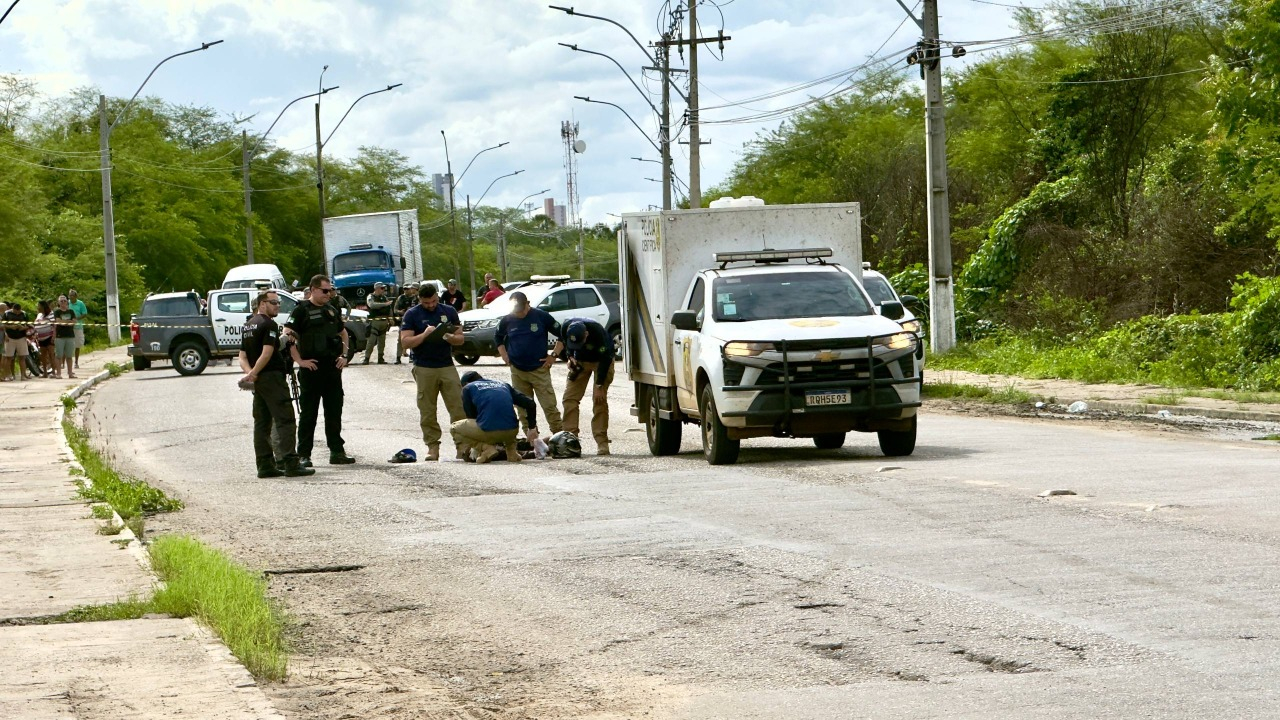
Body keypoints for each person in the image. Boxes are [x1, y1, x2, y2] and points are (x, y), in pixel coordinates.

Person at [239, 289, 314, 479]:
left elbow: (242, 356)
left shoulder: (248, 325)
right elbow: (267, 353)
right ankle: (291, 463)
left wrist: (250, 374)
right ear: (262, 304)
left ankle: (265, 465)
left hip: (259, 380)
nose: (277, 306)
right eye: (273, 302)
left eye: (279, 302)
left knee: (262, 422)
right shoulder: (268, 324)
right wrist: (254, 373)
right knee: (285, 420)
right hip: (271, 377)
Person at [284, 275, 355, 467]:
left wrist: (344, 355)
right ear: (313, 289)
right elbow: (287, 333)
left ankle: (337, 451)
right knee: (309, 414)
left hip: (331, 368)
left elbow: (343, 332)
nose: (328, 294)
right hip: (312, 368)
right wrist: (299, 361)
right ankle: (304, 454)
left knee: (334, 412)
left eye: (330, 290)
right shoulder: (301, 310)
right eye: (325, 291)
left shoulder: (331, 309)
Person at [399, 282, 465, 461]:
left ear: (437, 297)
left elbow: (460, 338)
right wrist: (425, 335)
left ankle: (462, 446)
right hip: (424, 366)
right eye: (426, 303)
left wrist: (451, 337)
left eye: (434, 301)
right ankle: (432, 446)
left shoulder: (449, 311)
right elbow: (405, 342)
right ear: (420, 299)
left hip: (446, 365)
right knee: (427, 410)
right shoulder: (412, 314)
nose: (431, 305)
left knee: (458, 407)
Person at [495, 291, 564, 436]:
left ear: (528, 304)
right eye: (516, 312)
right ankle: (531, 438)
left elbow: (562, 334)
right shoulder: (507, 320)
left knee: (549, 405)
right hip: (518, 370)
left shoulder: (541, 316)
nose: (519, 314)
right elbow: (498, 337)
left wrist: (554, 355)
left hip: (539, 369)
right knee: (523, 408)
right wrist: (504, 355)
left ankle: (558, 435)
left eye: (522, 311)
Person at [451, 370, 539, 463]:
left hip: (489, 431)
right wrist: (532, 427)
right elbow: (530, 403)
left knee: (454, 428)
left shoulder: (468, 388)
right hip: (512, 432)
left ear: (465, 383)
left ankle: (486, 448)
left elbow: (471, 418)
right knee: (506, 419)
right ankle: (512, 452)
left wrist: (476, 447)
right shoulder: (503, 385)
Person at [561, 318, 615, 456]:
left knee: (599, 400)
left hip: (601, 362)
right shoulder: (565, 327)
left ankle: (602, 442)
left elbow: (605, 359)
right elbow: (566, 345)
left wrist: (599, 385)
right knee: (569, 399)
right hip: (581, 361)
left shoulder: (597, 332)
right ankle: (570, 440)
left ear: (586, 334)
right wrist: (570, 357)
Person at [362, 282, 393, 365]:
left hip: (384, 322)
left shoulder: (384, 297)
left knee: (382, 342)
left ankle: (380, 358)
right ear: (376, 289)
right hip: (374, 322)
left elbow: (389, 308)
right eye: (382, 288)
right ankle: (366, 358)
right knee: (371, 341)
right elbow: (372, 305)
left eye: (384, 288)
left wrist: (391, 319)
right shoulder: (371, 296)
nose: (383, 290)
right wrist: (384, 304)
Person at [1, 301, 32, 381]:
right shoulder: (7, 314)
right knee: (8, 357)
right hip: (10, 338)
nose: (17, 313)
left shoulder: (24, 314)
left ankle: (23, 376)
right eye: (16, 312)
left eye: (19, 312)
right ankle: (7, 375)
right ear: (13, 309)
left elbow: (28, 325)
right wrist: (11, 327)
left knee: (22, 357)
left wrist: (23, 328)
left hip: (21, 337)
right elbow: (3, 324)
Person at [51, 296, 78, 380]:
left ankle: (70, 373)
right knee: (59, 355)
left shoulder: (71, 311)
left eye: (64, 301)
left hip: (70, 335)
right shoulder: (57, 311)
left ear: (67, 302)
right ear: (58, 303)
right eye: (61, 301)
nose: (63, 302)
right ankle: (58, 373)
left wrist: (66, 322)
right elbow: (58, 321)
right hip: (60, 336)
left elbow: (74, 321)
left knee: (69, 356)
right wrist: (68, 321)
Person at [392, 283, 419, 364]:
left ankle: (412, 356)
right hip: (404, 320)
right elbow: (395, 310)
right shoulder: (401, 298)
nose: (406, 290)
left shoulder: (416, 298)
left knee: (413, 338)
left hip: (414, 320)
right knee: (400, 339)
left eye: (408, 289)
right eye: (405, 289)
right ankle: (398, 357)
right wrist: (401, 312)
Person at [34, 300, 56, 378]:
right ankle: (45, 373)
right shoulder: (39, 315)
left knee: (51, 354)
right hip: (40, 338)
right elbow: (35, 324)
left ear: (43, 306)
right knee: (43, 356)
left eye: (39, 306)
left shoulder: (51, 314)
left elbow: (54, 326)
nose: (38, 307)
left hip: (49, 337)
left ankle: (54, 372)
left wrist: (53, 336)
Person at [67, 289, 87, 369]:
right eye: (70, 295)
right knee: (67, 345)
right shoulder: (67, 303)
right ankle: (65, 363)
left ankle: (76, 362)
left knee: (77, 345)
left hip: (78, 326)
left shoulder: (80, 303)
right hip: (68, 327)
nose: (71, 297)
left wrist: (77, 318)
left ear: (76, 296)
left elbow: (84, 313)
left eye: (72, 295)